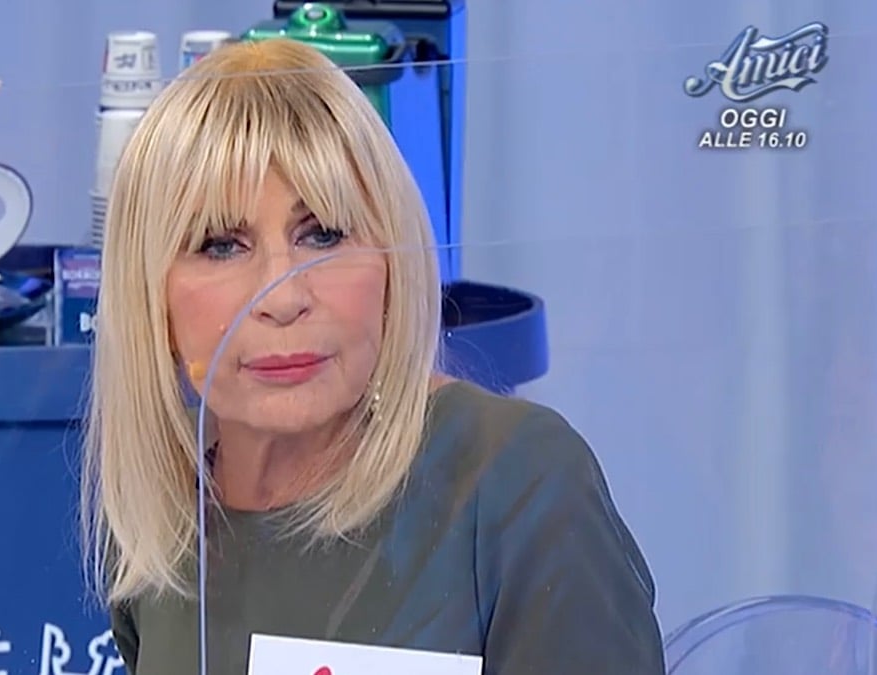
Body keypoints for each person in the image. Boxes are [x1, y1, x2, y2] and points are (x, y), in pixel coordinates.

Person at [81, 38, 664, 675]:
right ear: (150, 297)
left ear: (391, 263)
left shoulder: (515, 480)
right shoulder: (160, 525)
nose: (284, 296)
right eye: (221, 245)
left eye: (323, 234)